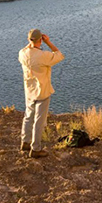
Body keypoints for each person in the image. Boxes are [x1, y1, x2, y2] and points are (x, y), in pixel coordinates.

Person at [18, 29, 64, 158]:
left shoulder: (22, 54)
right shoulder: (43, 55)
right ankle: (36, 149)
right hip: (42, 91)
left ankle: (25, 142)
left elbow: (27, 48)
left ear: (28, 40)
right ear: (40, 40)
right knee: (39, 121)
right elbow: (59, 55)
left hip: (29, 91)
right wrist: (48, 42)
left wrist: (31, 43)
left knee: (28, 117)